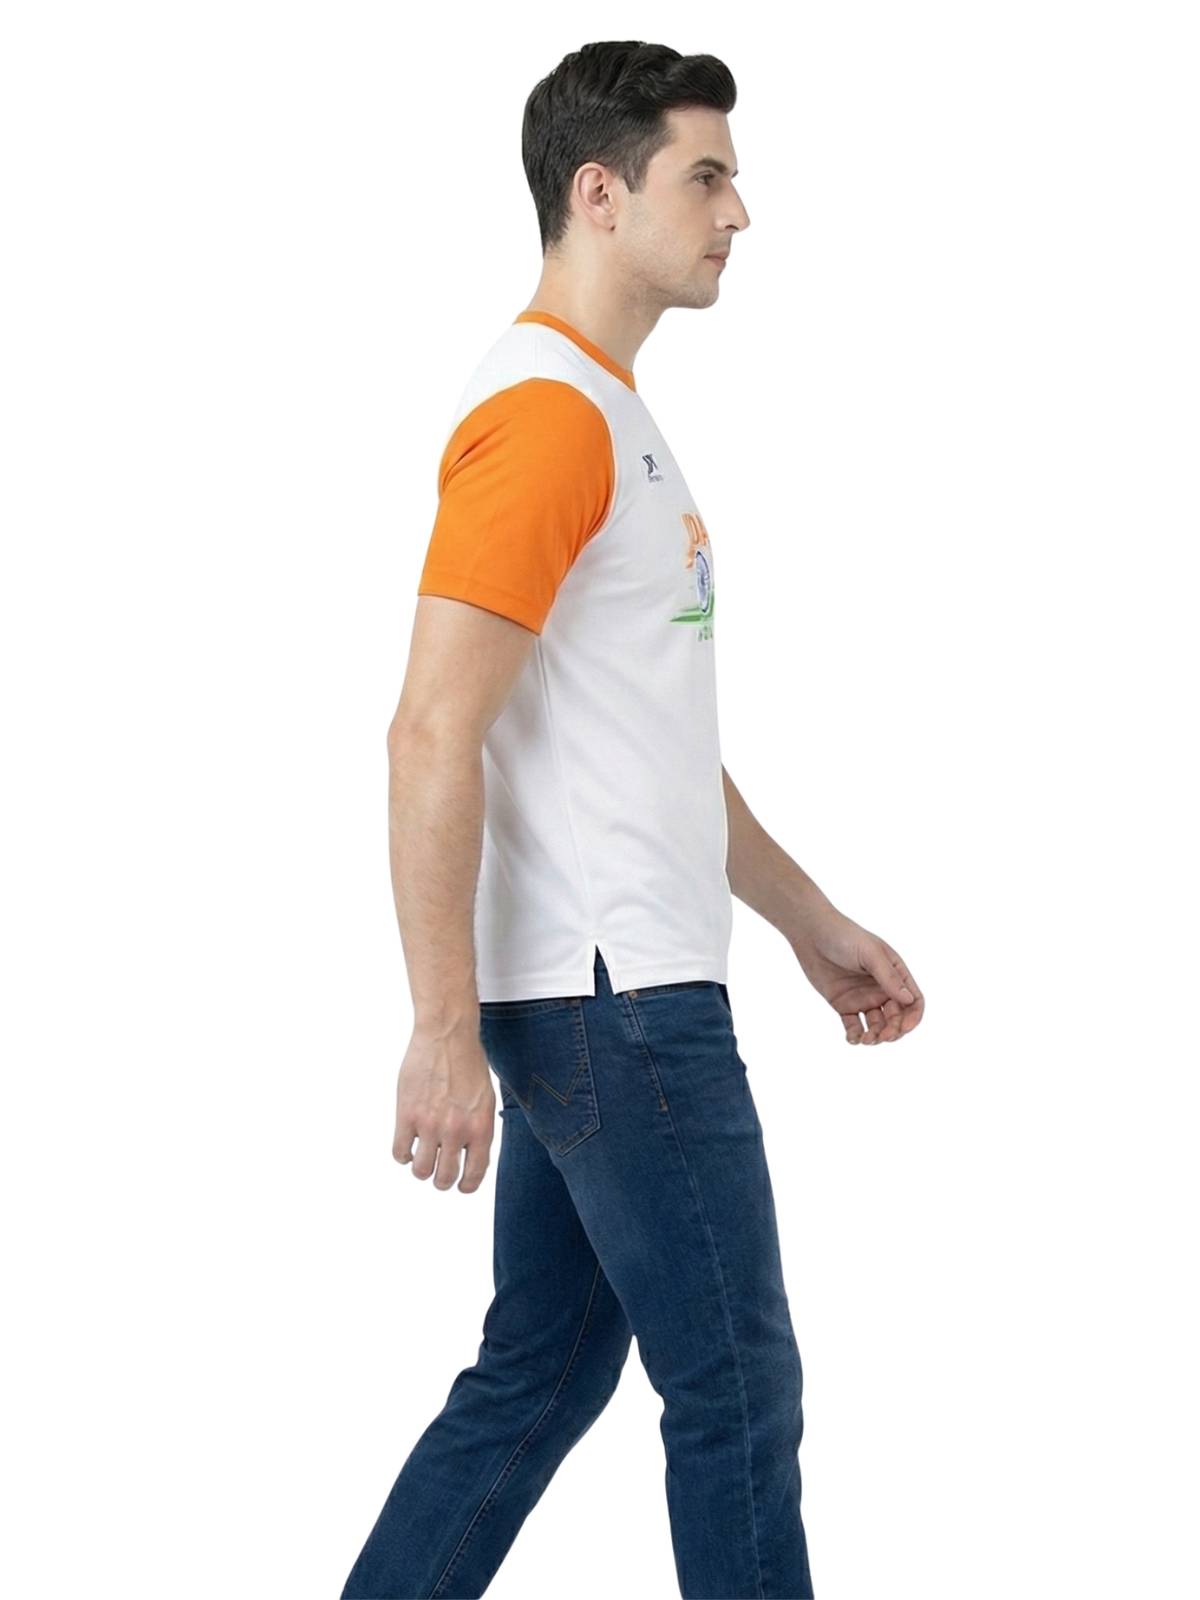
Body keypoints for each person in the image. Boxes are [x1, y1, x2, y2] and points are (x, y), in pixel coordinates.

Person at [340, 38, 924, 1600]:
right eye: (707, 176)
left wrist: (808, 921)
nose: (740, 212)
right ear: (600, 195)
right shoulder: (548, 418)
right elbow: (430, 728)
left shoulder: (606, 414)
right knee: (736, 1386)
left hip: (606, 994)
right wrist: (439, 1026)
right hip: (619, 1007)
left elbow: (647, 747)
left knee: (539, 1374)